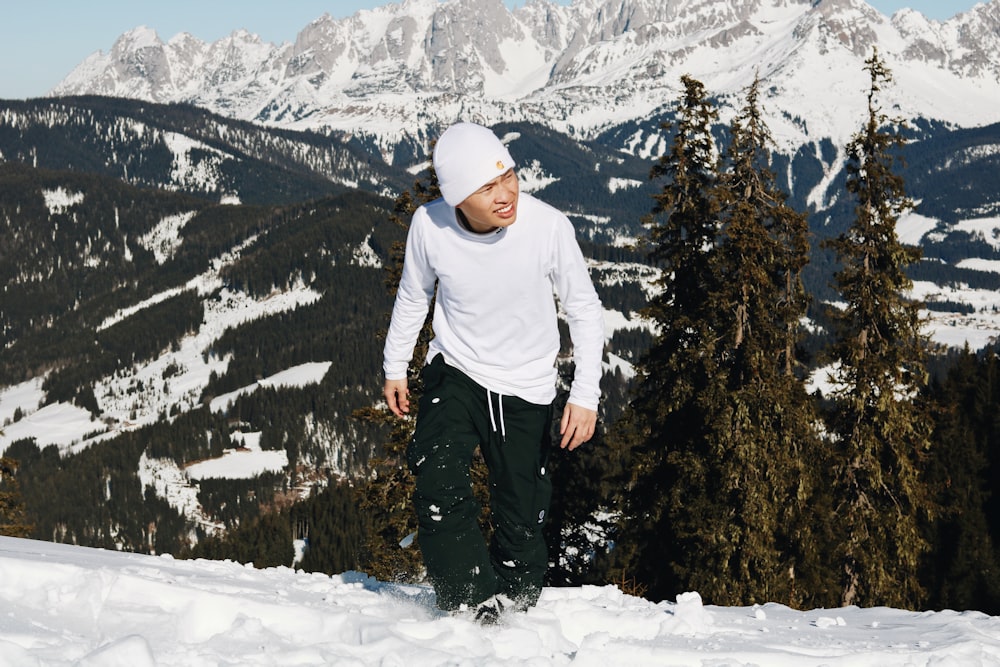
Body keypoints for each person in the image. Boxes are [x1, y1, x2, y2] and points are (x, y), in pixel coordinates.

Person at [382, 121, 604, 623]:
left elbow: (585, 311)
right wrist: (395, 366)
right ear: (459, 197)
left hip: (525, 385)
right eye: (488, 187)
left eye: (510, 176)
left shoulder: (547, 227)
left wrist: (585, 393)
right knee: (436, 477)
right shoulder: (429, 225)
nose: (506, 194)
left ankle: (515, 605)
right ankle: (465, 602)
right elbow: (415, 294)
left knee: (522, 515)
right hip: (456, 369)